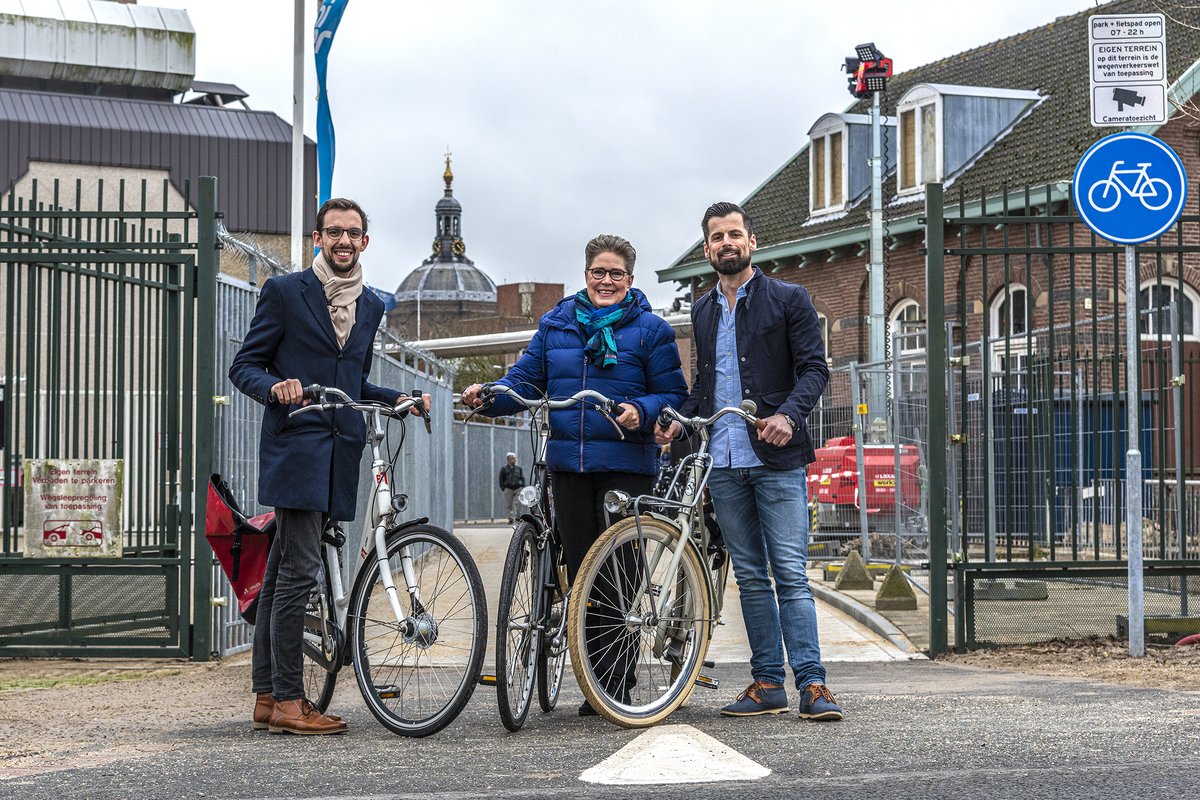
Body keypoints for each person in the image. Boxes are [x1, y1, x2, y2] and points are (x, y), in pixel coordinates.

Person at [462, 233, 687, 716]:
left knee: (619, 572)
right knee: (580, 568)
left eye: (616, 274)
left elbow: (673, 393)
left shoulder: (651, 331)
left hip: (627, 466)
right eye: (598, 272)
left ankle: (614, 682)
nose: (606, 281)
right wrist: (490, 395)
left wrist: (641, 411)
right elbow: (523, 381)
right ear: (587, 275)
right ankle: (592, 676)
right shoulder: (556, 325)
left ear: (630, 279)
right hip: (568, 464)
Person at [229, 198, 418, 736]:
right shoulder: (286, 292)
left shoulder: (373, 306)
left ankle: (268, 696)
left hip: (340, 451)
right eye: (333, 231)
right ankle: (291, 700)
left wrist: (397, 397)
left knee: (280, 574)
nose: (343, 241)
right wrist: (276, 387)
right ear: (318, 237)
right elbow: (245, 365)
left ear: (365, 241)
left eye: (353, 233)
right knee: (299, 572)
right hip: (296, 448)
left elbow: (352, 383)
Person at [656, 201, 843, 722]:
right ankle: (767, 684)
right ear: (708, 248)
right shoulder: (703, 309)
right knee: (751, 576)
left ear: (752, 242)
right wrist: (677, 420)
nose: (726, 244)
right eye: (716, 237)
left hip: (776, 456)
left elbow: (815, 371)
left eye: (734, 234)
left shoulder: (789, 299)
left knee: (789, 574)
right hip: (724, 460)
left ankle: (813, 684)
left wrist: (788, 415)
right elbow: (705, 388)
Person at [499, 452, 525, 523]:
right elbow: (501, 479)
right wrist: (503, 488)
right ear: (509, 460)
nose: (514, 460)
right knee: (509, 504)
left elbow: (522, 478)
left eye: (515, 458)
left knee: (518, 503)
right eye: (513, 458)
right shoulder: (504, 469)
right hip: (508, 489)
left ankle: (518, 517)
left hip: (517, 488)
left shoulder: (518, 468)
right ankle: (510, 518)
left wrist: (522, 485)